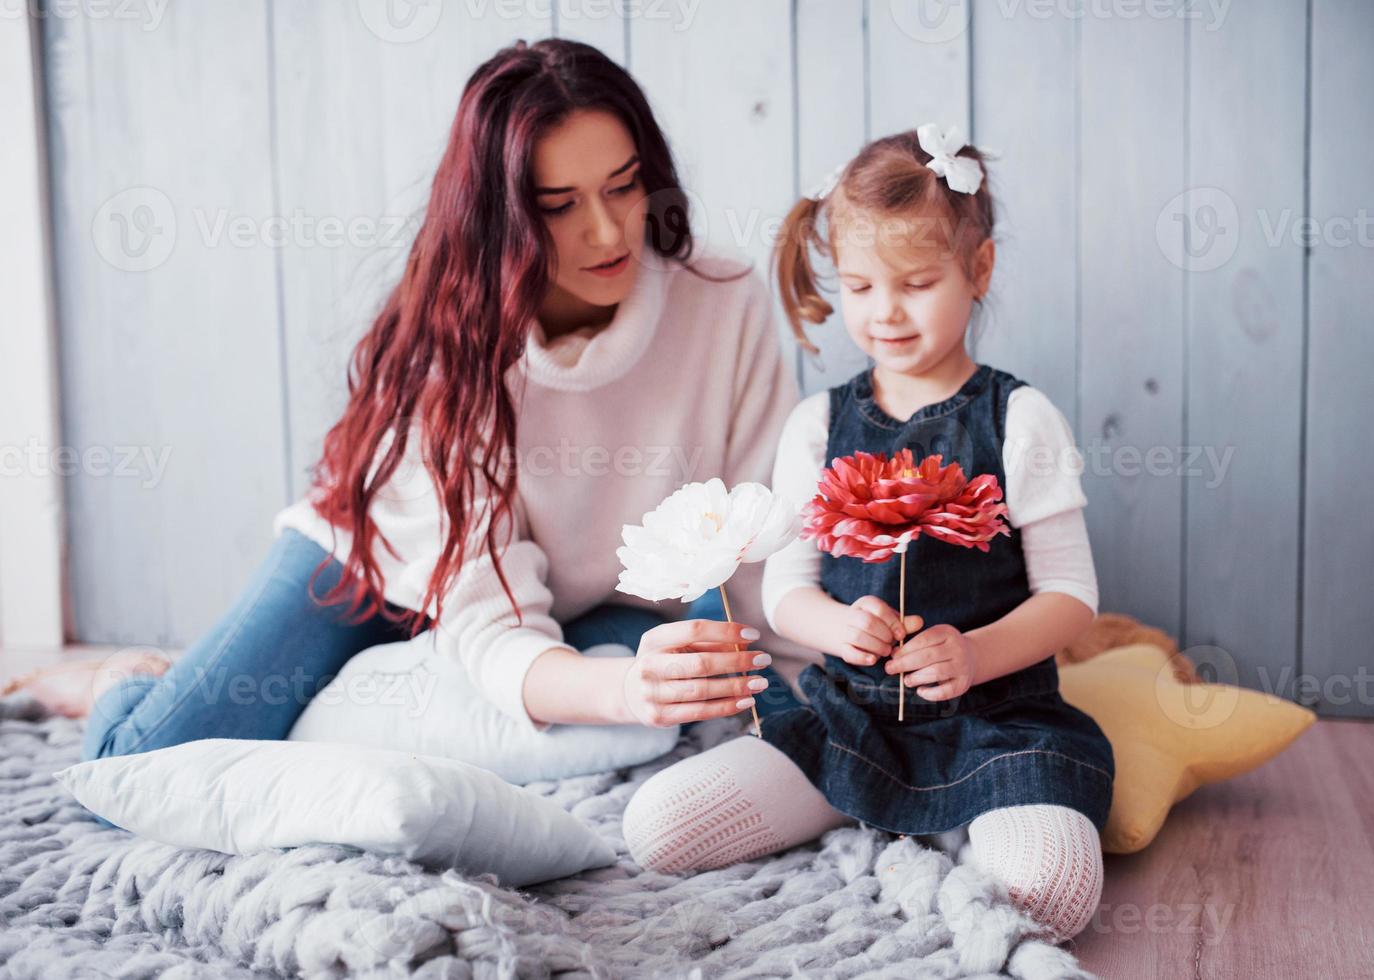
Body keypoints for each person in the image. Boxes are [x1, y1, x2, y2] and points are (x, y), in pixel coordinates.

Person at [7, 39, 806, 774]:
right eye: (559, 205)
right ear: (505, 218)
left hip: (579, 604)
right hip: (372, 567)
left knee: (656, 684)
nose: (607, 231)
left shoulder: (721, 301)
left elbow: (757, 539)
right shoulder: (453, 346)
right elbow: (489, 618)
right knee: (141, 759)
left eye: (624, 186)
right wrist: (626, 692)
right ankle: (124, 676)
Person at [622, 125, 1115, 944]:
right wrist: (835, 628)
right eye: (858, 286)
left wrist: (977, 654)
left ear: (978, 270)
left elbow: (1072, 596)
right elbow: (787, 592)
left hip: (994, 720)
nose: (884, 312)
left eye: (917, 283)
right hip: (850, 716)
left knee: (1049, 893)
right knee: (661, 829)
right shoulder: (820, 425)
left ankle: (961, 807)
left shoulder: (1019, 419)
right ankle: (862, 797)